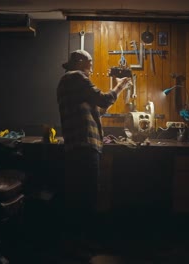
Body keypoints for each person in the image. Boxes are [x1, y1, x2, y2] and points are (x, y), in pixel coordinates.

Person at [56, 49, 132, 249]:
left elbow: (98, 109)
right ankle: (81, 245)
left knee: (80, 196)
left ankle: (78, 243)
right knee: (87, 197)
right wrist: (120, 86)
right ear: (79, 61)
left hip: (80, 146)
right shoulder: (75, 77)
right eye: (90, 61)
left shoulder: (71, 83)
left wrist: (108, 98)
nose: (92, 66)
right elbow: (105, 99)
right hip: (84, 145)